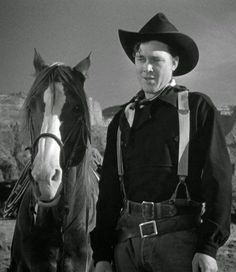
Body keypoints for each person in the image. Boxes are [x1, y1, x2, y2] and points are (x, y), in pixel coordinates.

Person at [90, 12, 232, 272]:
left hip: (179, 245)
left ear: (174, 62)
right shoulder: (121, 120)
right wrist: (102, 255)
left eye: (156, 60)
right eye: (140, 59)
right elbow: (109, 193)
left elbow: (218, 180)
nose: (147, 68)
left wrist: (208, 248)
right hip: (127, 247)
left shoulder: (197, 108)